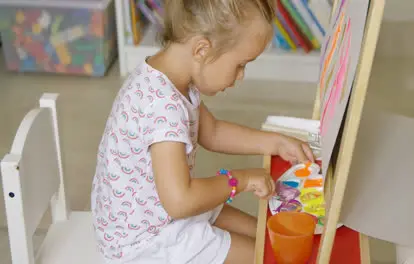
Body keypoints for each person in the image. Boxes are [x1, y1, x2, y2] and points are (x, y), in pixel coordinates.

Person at [91, 0, 314, 263]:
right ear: (201, 49)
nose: (240, 76)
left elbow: (213, 132)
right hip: (145, 244)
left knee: (269, 238)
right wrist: (239, 180)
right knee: (270, 256)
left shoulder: (171, 77)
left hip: (158, 217)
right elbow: (180, 200)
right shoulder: (162, 107)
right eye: (240, 64)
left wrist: (274, 142)